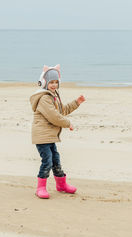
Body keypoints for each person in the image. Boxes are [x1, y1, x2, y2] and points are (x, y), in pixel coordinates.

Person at [30, 64, 85, 199]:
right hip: (42, 136)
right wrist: (68, 123)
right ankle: (40, 187)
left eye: (56, 82)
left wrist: (76, 103)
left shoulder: (53, 96)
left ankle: (61, 185)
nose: (54, 85)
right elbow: (54, 116)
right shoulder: (44, 98)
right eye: (51, 82)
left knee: (56, 159)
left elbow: (61, 111)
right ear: (44, 82)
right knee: (47, 160)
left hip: (50, 136)